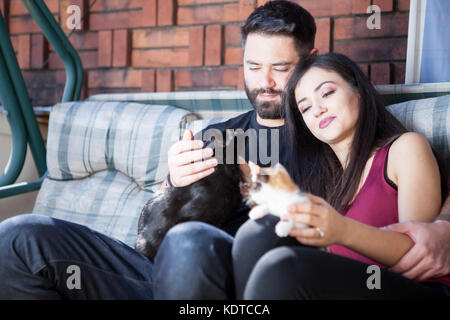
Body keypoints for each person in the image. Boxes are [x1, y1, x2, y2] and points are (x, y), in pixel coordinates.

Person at [231, 52, 450, 299]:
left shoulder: (404, 149)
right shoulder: (321, 182)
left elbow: (419, 253)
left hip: (413, 289)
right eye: (305, 108)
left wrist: (341, 230)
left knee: (282, 267)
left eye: (327, 93)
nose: (318, 110)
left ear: (357, 91)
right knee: (258, 235)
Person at [152, 0, 317, 299]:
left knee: (189, 242)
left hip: (250, 275)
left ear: (311, 61)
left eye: (280, 68)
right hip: (173, 268)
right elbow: (162, 221)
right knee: (38, 238)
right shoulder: (221, 137)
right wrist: (172, 183)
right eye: (253, 67)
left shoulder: (326, 133)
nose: (264, 82)